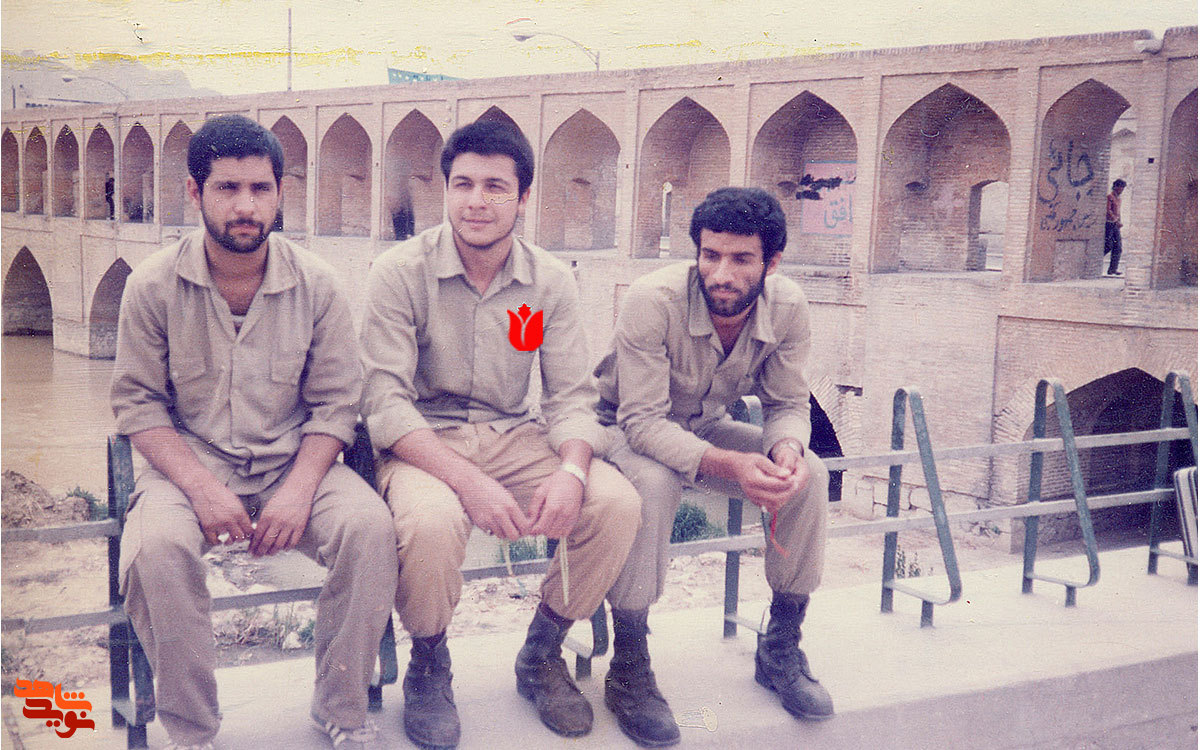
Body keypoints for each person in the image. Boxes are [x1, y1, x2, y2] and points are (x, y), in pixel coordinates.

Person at [110, 114, 397, 750]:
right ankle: (193, 732)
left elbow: (336, 404)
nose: (246, 206)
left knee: (370, 530)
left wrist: (298, 491)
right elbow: (137, 405)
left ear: (279, 192)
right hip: (190, 466)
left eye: (260, 189)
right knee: (154, 551)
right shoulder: (152, 286)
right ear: (194, 192)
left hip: (295, 462)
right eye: (228, 188)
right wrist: (201, 488)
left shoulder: (318, 285)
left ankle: (342, 709)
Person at [359, 120, 641, 750]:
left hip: (514, 434)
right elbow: (385, 402)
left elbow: (570, 396)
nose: (476, 201)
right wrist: (470, 484)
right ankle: (429, 662)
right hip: (423, 442)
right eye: (463, 184)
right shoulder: (399, 272)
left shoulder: (548, 281)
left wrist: (571, 471)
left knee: (615, 502)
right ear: (445, 190)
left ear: (523, 198)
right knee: (432, 523)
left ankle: (541, 652)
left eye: (495, 186)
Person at [595, 187, 833, 747]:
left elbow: (788, 403)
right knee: (653, 484)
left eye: (741, 259)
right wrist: (731, 463)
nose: (721, 274)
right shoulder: (652, 300)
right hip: (621, 428)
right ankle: (629, 668)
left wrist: (786, 451)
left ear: (772, 262)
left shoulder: (789, 307)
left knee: (811, 476)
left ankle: (780, 647)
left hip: (702, 428)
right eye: (710, 255)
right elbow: (642, 422)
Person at [1104, 178, 1126, 276]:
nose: (1121, 190)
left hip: (1115, 224)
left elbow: (1118, 212)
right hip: (1109, 224)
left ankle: (1113, 269)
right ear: (1116, 187)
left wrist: (1119, 221)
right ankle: (1094, 259)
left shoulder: (1119, 199)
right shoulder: (1110, 197)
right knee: (1108, 245)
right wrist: (1115, 220)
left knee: (1118, 247)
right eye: (1120, 188)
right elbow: (1108, 210)